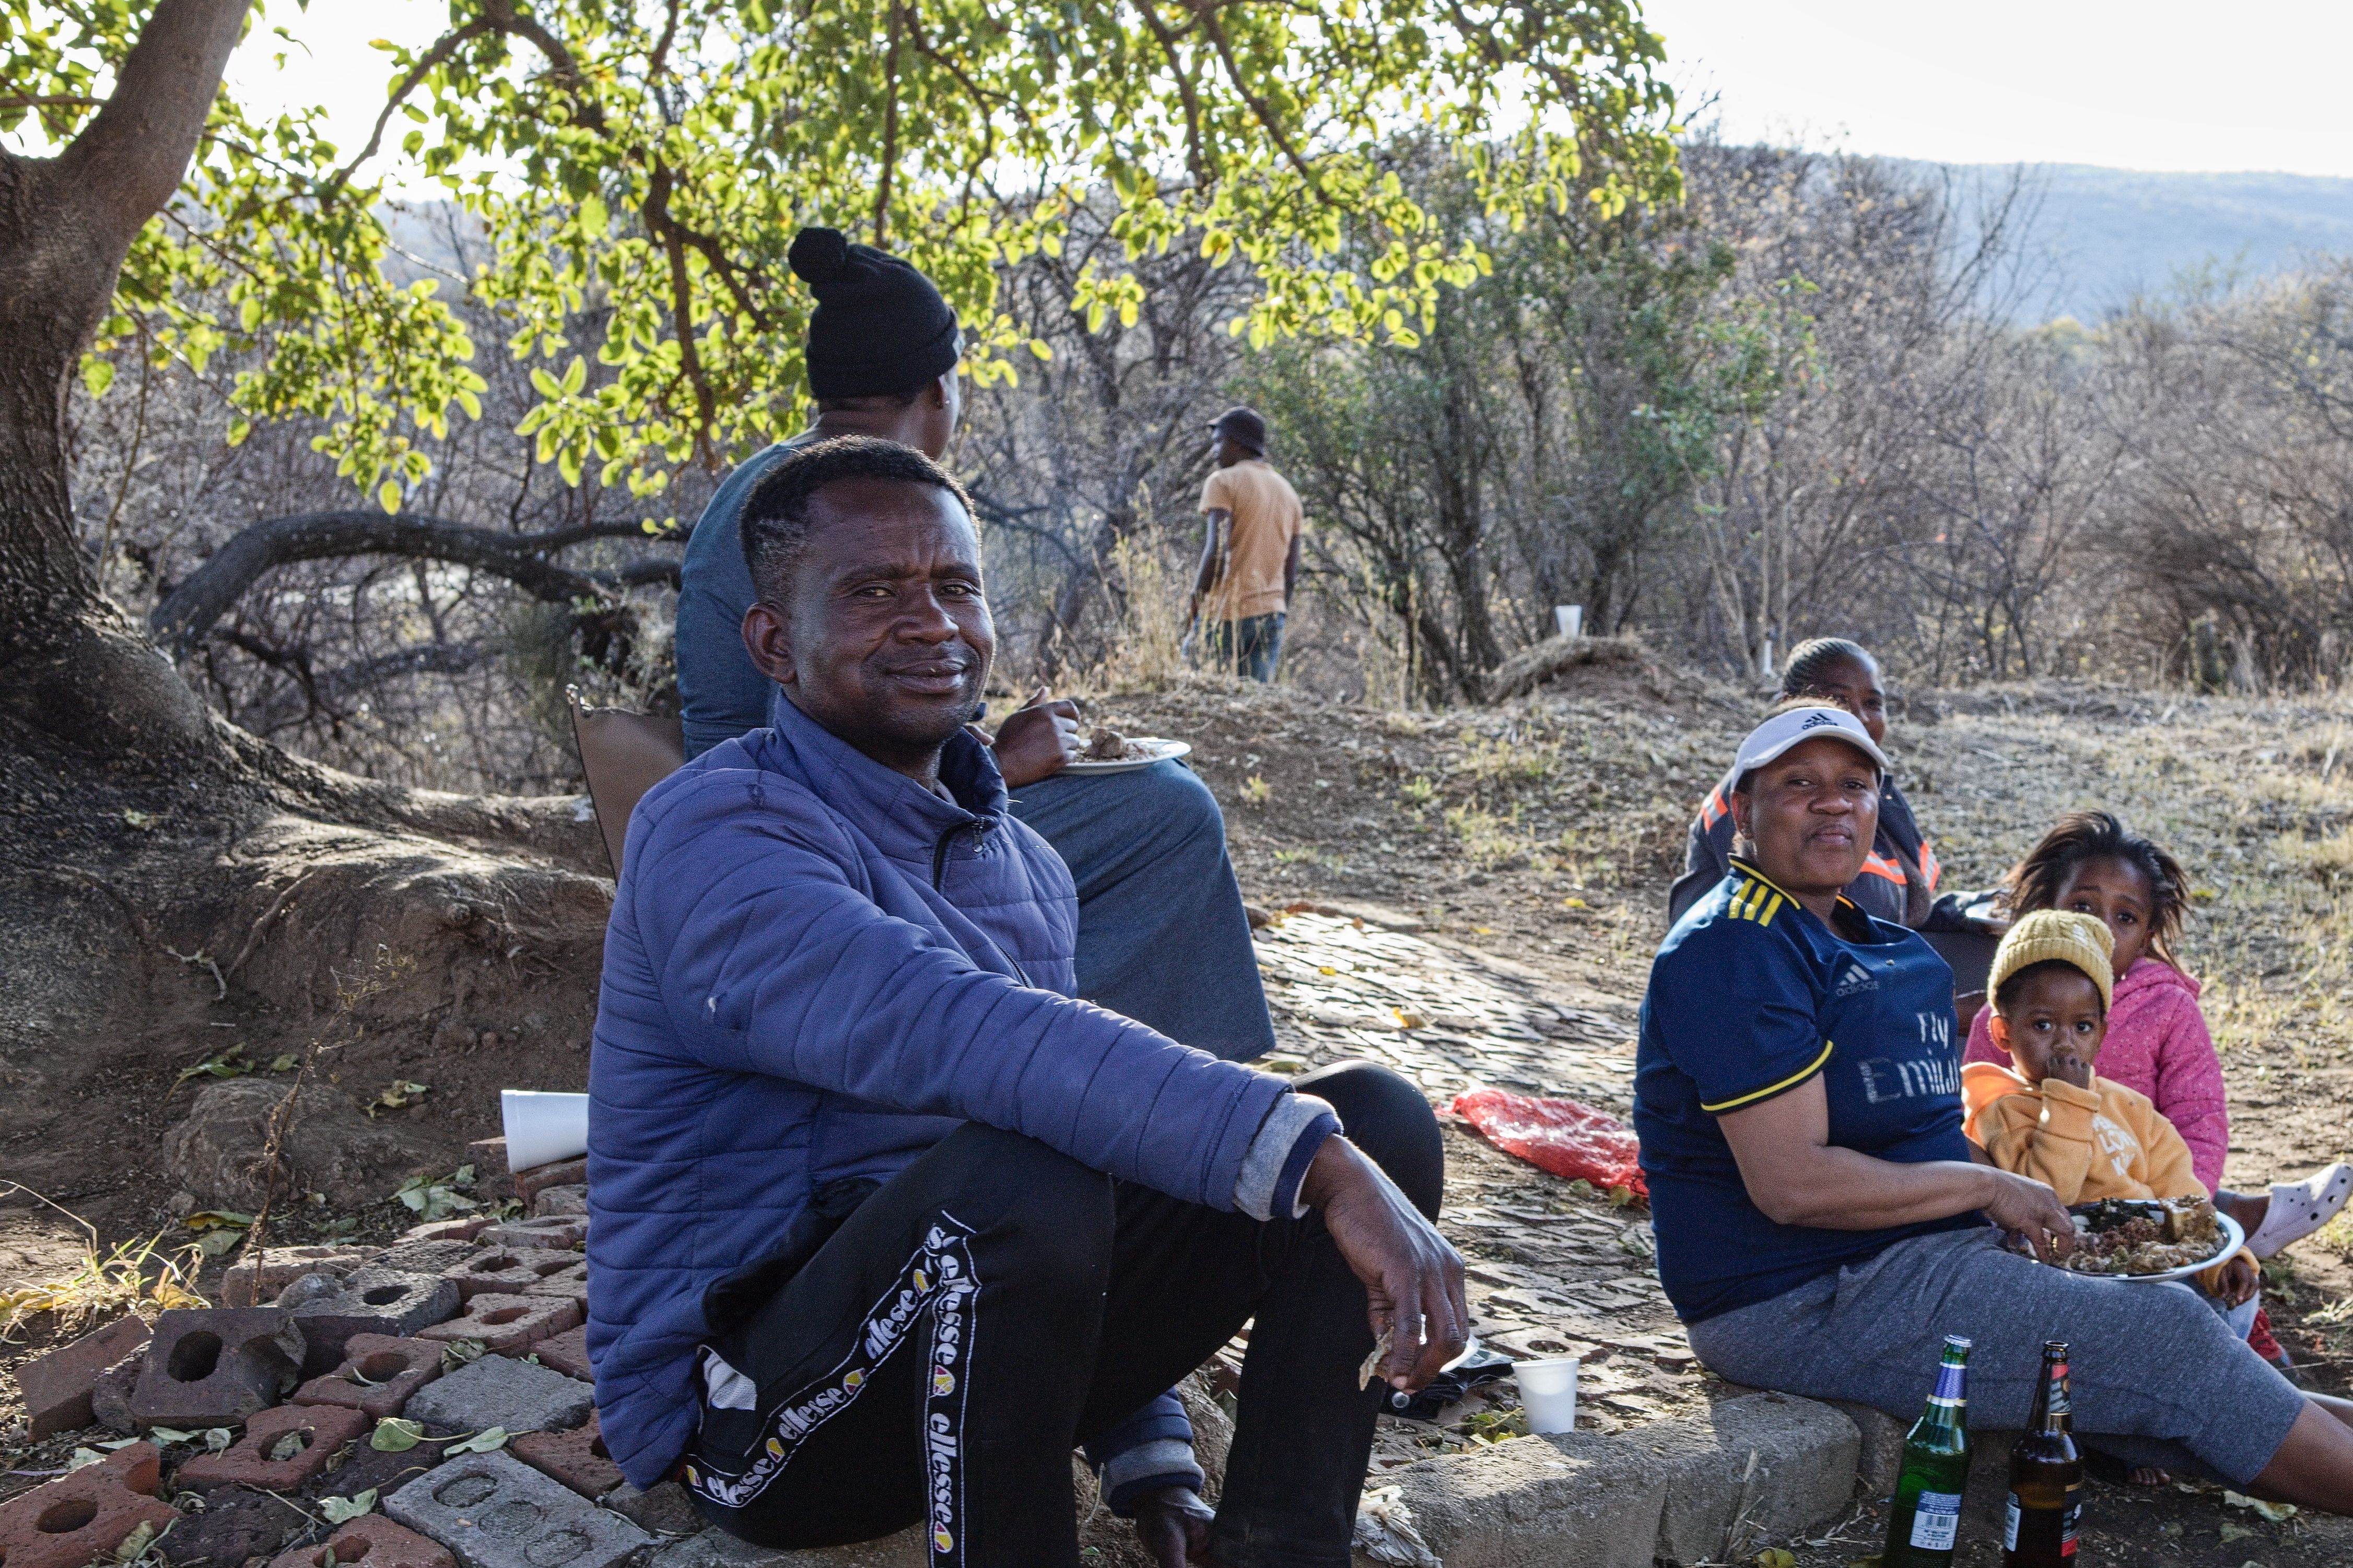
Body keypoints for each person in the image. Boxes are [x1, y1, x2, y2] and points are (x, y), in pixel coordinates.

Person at [589, 437, 1467, 1567]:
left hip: (973, 1346)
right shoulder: (715, 834)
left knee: (1377, 1115)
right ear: (772, 642)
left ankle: (1278, 1550)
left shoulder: (1022, 866)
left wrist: (1153, 1465)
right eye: (872, 592)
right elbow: (950, 1026)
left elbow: (1080, 1128)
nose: (931, 623)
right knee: (1034, 1176)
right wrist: (1306, 1154)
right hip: (754, 1416)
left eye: (956, 586)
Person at [1633, 702, 2353, 1506]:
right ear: (1741, 809)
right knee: (2172, 1338)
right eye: (1799, 783)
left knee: (2173, 1374)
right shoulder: (1736, 945)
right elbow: (1793, 1184)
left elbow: (1925, 1127)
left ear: (1877, 808)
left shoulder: (1887, 947)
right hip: (1807, 1296)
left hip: (1923, 1257)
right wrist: (1986, 1186)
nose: (1833, 801)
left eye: (1855, 784)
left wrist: (2024, 1201)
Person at [673, 225, 1274, 1061]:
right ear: (939, 387)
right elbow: (828, 750)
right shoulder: (851, 505)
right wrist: (1004, 768)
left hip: (812, 792)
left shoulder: (790, 477)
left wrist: (981, 746)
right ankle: (1082, 1060)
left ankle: (1088, 1053)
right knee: (1168, 811)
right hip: (810, 823)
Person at [1959, 811, 2352, 1258]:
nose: (2101, 928)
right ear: (2047, 910)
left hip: (2143, 1184)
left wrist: (2187, 1214)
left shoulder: (2168, 1008)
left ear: (2145, 938)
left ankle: (2235, 1221)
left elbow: (2197, 1120)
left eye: (2125, 916)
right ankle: (2245, 1217)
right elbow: (1977, 1129)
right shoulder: (2005, 1014)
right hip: (2042, 1206)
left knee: (2194, 1209)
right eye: (2082, 907)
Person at [1960, 910, 2260, 1338]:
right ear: (2003, 1033)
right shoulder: (2001, 1110)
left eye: (2081, 1026)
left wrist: (2221, 1261)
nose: (2064, 1042)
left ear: (2101, 1034)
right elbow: (2050, 1197)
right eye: (2042, 1024)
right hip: (2077, 1279)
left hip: (2155, 1262)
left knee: (2236, 1300)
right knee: (2178, 1320)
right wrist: (2067, 1103)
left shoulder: (2129, 1106)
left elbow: (2180, 1192)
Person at [1667, 639, 1952, 930]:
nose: (1862, 718)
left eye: (1873, 703)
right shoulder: (1762, 797)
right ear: (1790, 703)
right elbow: (1793, 924)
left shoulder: (1881, 795)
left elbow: (1911, 905)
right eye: (1837, 701)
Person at [1185, 407, 1303, 683]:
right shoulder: (1289, 493)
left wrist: (1195, 604)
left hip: (1227, 612)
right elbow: (1291, 574)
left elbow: (1216, 553)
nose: (1214, 451)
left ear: (1237, 443)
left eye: (1219, 442)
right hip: (1271, 614)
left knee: (1194, 688)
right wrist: (1277, 612)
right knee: (1254, 699)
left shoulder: (1223, 482)